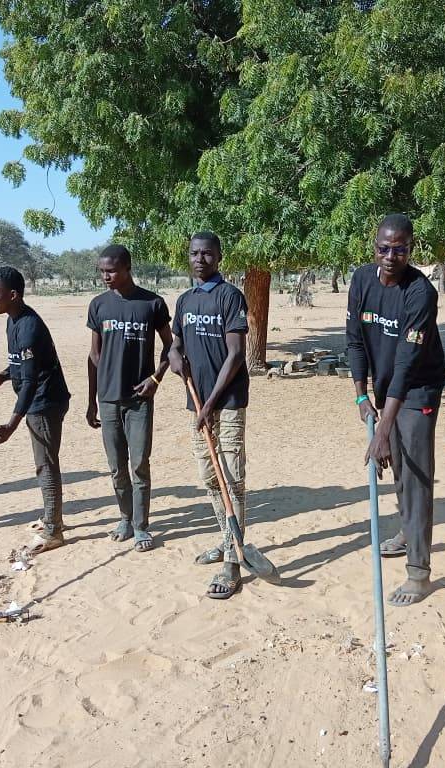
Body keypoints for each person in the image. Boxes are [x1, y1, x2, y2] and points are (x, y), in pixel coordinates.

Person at [347, 213, 445, 607]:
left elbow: (407, 363)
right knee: (399, 465)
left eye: (400, 249)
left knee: (416, 471)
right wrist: (361, 397)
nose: (391, 256)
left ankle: (419, 573)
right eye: (384, 248)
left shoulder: (420, 292)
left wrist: (383, 430)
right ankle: (408, 530)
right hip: (385, 387)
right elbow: (354, 341)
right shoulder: (361, 281)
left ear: (411, 249)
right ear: (374, 248)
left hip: (419, 388)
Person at [167, 232, 251, 600]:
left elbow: (235, 356)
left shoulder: (230, 297)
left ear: (218, 257)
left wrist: (210, 403)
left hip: (227, 400)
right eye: (194, 253)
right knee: (208, 475)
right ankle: (226, 536)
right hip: (198, 403)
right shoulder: (185, 301)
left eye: (207, 253)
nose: (200, 259)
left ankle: (232, 561)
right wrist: (172, 356)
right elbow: (176, 343)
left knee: (231, 477)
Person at [86, 245, 172, 552]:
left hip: (139, 400)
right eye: (101, 271)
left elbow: (171, 348)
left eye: (110, 271)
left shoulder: (152, 303)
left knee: (138, 464)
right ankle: (124, 517)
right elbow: (94, 355)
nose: (105, 277)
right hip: (108, 399)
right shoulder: (98, 305)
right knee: (116, 466)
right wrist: (92, 399)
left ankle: (141, 526)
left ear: (127, 269)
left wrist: (156, 378)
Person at [0, 266, 71, 555]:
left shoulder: (30, 327)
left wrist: (11, 424)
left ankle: (53, 529)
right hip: (35, 398)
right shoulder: (13, 320)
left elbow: (32, 380)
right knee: (45, 461)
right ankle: (51, 516)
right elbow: (23, 366)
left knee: (45, 464)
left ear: (13, 294)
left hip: (45, 402)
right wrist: (4, 375)